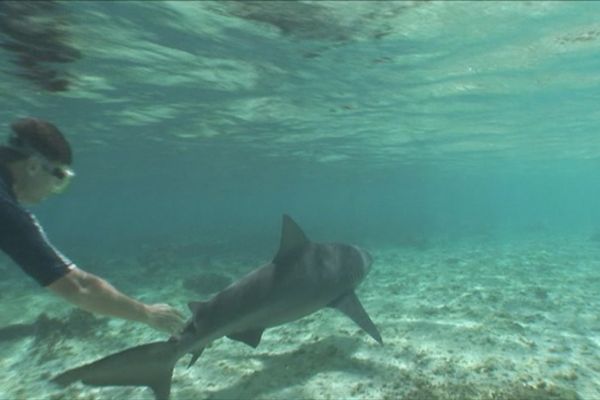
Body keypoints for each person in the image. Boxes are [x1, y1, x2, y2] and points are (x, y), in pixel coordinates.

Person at [0, 117, 185, 334]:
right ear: (33, 166)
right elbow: (80, 288)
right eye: (59, 178)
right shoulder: (8, 213)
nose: (53, 190)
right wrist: (147, 313)